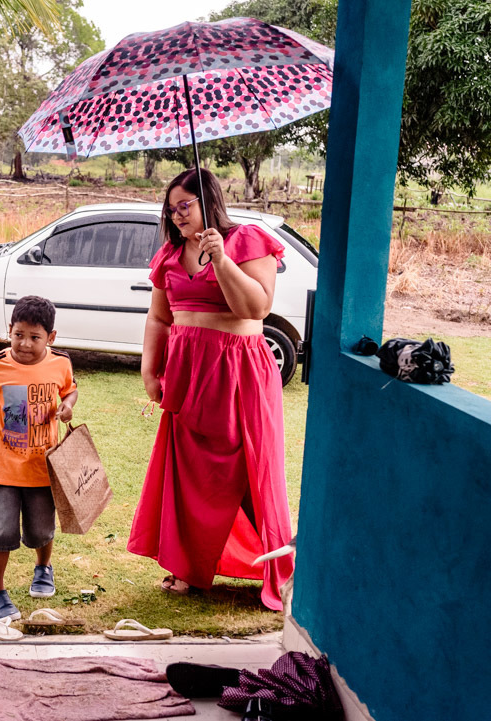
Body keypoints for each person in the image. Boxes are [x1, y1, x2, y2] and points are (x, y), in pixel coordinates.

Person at [127, 168, 295, 611]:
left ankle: (280, 570)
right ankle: (188, 569)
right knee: (188, 474)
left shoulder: (248, 241)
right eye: (172, 208)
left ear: (209, 201)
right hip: (188, 374)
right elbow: (159, 319)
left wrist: (220, 260)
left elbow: (257, 306)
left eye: (186, 205)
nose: (177, 215)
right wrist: (150, 371)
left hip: (240, 370)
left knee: (250, 467)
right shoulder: (168, 255)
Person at [0, 295, 78, 620]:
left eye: (35, 337)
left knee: (41, 530)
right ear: (10, 330)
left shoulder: (60, 362)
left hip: (43, 467)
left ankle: (43, 567)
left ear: (51, 338)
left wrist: (68, 405)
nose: (25, 344)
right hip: (3, 467)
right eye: (18, 335)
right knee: (1, 531)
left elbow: (70, 388)